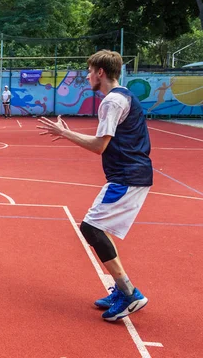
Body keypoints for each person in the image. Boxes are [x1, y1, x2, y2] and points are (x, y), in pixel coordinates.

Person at [37, 50, 151, 322]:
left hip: (127, 176)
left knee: (91, 227)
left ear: (100, 72)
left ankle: (129, 292)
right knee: (98, 228)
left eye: (89, 71)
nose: (87, 75)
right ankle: (124, 291)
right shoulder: (124, 95)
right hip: (129, 174)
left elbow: (100, 145)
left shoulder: (111, 102)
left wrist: (64, 133)